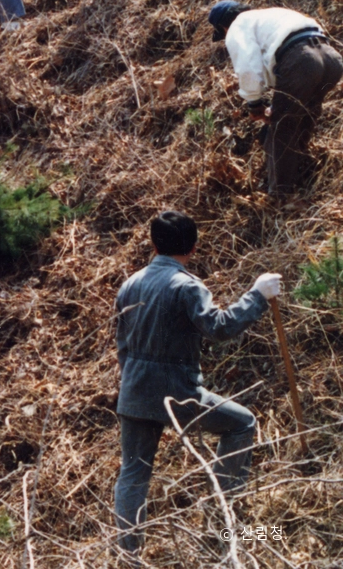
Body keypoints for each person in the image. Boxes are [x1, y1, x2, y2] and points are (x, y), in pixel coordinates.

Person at [113, 210, 280, 557]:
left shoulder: (129, 284)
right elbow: (219, 328)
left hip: (133, 392)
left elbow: (123, 345)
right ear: (193, 247)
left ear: (153, 243)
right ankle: (221, 527)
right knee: (242, 424)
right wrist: (258, 296)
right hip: (178, 394)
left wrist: (135, 381)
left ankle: (127, 555)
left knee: (134, 472)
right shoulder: (186, 286)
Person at [208, 0, 343, 195]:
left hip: (303, 61)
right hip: (332, 61)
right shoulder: (271, 15)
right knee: (304, 114)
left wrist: (254, 104)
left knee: (281, 128)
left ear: (224, 25)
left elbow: (248, 68)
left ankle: (281, 196)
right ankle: (302, 169)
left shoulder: (239, 25)